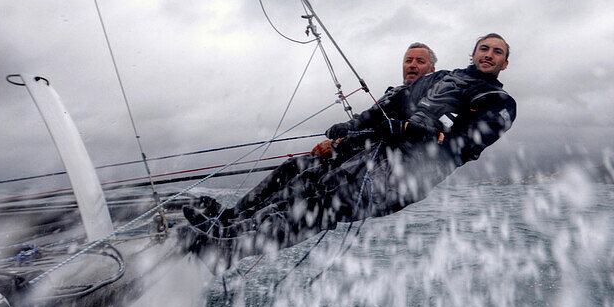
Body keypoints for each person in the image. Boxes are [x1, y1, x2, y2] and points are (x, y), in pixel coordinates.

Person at [182, 35, 515, 269]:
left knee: (322, 201)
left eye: (496, 52)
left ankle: (231, 248)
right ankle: (233, 225)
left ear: (505, 62)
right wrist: (352, 128)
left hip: (408, 176)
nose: (488, 54)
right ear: (472, 53)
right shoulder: (442, 78)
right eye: (483, 48)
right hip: (379, 158)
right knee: (305, 177)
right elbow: (389, 106)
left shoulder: (496, 102)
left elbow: (463, 147)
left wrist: (411, 132)